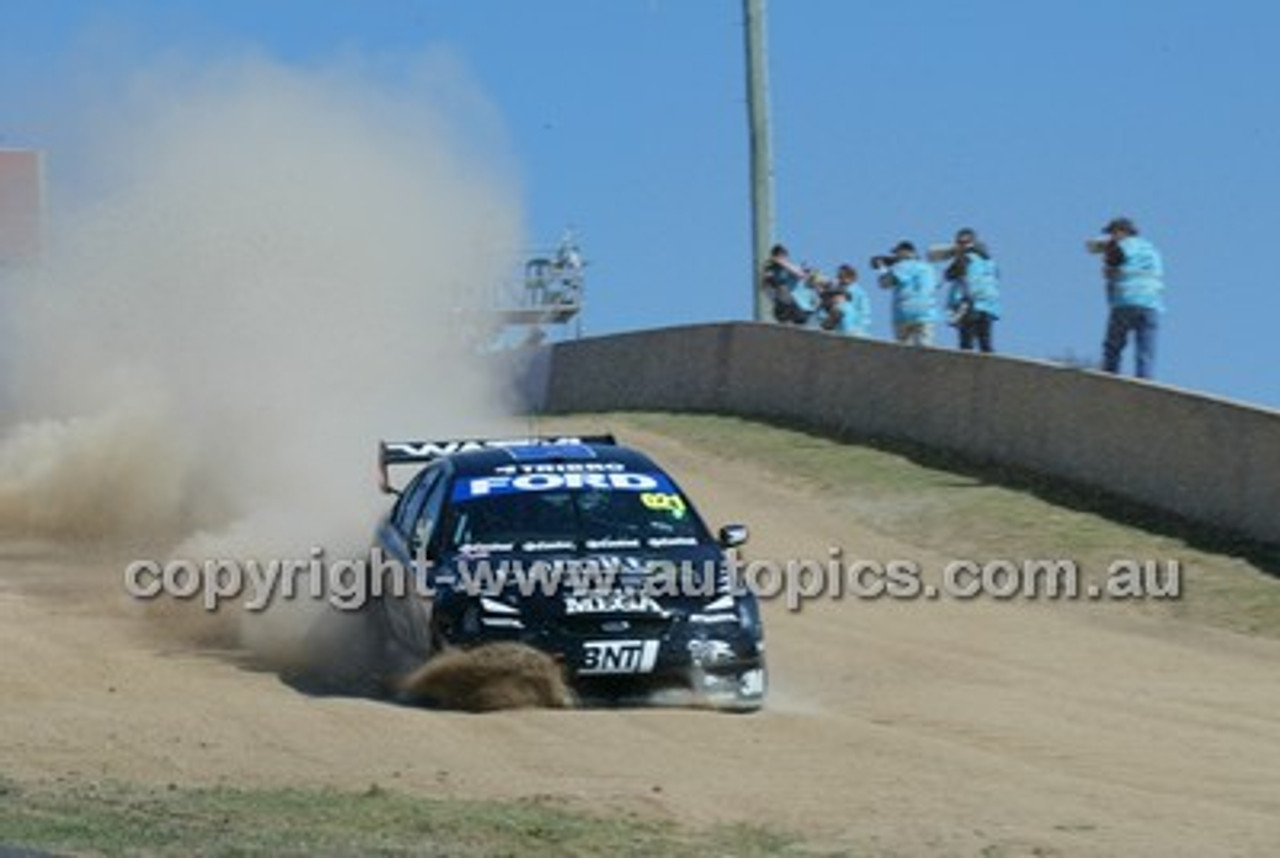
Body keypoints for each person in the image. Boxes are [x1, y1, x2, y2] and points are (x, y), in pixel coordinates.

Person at [1096, 217, 1165, 379]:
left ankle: (1108, 376)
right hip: (1152, 303)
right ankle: (1145, 381)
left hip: (1126, 299)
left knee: (1113, 345)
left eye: (1112, 233)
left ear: (1121, 232)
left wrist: (1108, 260)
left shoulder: (1124, 245)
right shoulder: (1152, 250)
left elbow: (1116, 259)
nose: (1111, 237)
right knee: (1146, 349)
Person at [942, 227, 1002, 353]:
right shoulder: (989, 261)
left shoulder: (965, 258)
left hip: (969, 302)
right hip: (989, 304)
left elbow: (948, 275)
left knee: (966, 343)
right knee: (985, 342)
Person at [875, 240, 938, 346]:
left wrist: (882, 268)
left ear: (904, 252)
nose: (896, 256)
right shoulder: (928, 268)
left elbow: (885, 283)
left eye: (897, 253)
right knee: (926, 348)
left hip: (904, 312)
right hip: (927, 312)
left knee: (904, 350)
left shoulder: (902, 266)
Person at [761, 244, 814, 325]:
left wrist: (782, 262)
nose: (779, 258)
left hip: (801, 307)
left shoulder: (793, 267)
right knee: (781, 291)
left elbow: (800, 274)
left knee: (783, 289)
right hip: (786, 307)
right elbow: (765, 288)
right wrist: (766, 274)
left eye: (781, 256)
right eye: (777, 256)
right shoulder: (774, 272)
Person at [820, 263, 871, 336]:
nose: (840, 279)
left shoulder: (859, 293)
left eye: (842, 276)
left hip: (853, 328)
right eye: (839, 276)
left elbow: (865, 313)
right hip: (835, 329)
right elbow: (823, 310)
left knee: (842, 305)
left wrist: (860, 329)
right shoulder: (833, 291)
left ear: (850, 277)